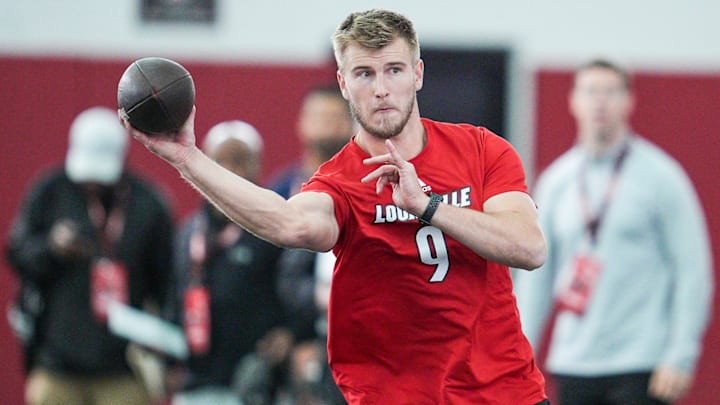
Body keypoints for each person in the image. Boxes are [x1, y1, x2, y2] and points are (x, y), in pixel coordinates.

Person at [124, 8, 549, 404]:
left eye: (394, 70)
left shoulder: (481, 149)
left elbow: (529, 248)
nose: (381, 89)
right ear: (344, 83)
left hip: (503, 393)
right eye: (364, 73)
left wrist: (427, 205)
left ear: (417, 74)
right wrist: (187, 157)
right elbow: (290, 223)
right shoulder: (340, 181)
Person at [513, 59, 713, 405]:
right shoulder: (558, 182)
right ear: (574, 100)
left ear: (629, 101)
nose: (600, 102)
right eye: (591, 92)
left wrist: (680, 354)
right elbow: (535, 277)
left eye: (610, 92)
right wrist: (517, 353)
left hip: (641, 363)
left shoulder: (661, 177)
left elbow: (693, 271)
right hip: (574, 360)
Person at [6, 106, 174, 405]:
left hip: (123, 367)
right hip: (56, 364)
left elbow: (166, 281)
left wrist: (165, 348)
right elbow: (17, 253)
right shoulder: (50, 192)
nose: (93, 182)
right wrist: (51, 248)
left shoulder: (147, 204)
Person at [167, 120, 291, 405]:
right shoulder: (188, 233)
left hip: (254, 383)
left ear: (257, 167)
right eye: (220, 161)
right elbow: (174, 294)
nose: (230, 170)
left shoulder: (275, 228)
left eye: (240, 161)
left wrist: (289, 334)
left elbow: (292, 294)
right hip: (195, 381)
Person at [270, 84, 354, 405]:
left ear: (350, 123)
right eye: (319, 117)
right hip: (298, 339)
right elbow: (268, 271)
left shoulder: (368, 187)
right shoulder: (280, 190)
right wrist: (292, 336)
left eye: (335, 117)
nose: (327, 125)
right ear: (301, 123)